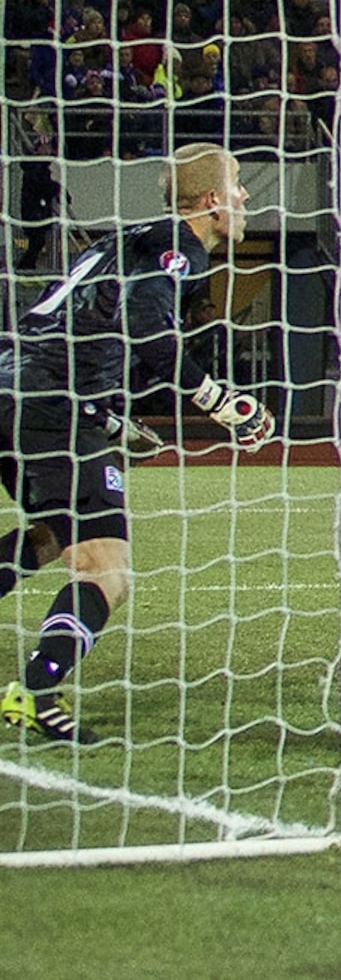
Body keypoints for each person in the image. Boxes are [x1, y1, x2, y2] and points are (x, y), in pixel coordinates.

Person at [0, 145, 274, 744]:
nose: (245, 196)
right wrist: (219, 401)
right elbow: (149, 329)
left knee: (55, 535)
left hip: (17, 388)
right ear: (211, 201)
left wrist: (106, 419)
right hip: (48, 403)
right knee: (108, 570)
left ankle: (35, 690)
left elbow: (74, 325)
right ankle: (36, 694)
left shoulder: (127, 239)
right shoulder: (179, 248)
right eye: (236, 184)